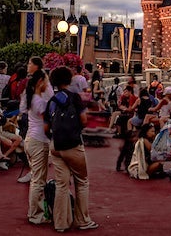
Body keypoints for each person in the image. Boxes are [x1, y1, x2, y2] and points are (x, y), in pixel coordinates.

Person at [46, 66, 98, 231]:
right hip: (72, 144)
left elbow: (46, 128)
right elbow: (83, 120)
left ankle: (60, 222)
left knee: (61, 184)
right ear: (69, 80)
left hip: (56, 145)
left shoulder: (51, 101)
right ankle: (82, 220)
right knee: (81, 181)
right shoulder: (74, 98)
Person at [22, 69, 51, 224]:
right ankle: (35, 214)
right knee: (38, 180)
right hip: (38, 140)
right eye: (46, 81)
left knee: (37, 178)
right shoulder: (39, 101)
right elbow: (47, 119)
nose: (48, 84)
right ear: (40, 82)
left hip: (32, 139)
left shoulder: (33, 98)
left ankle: (35, 212)